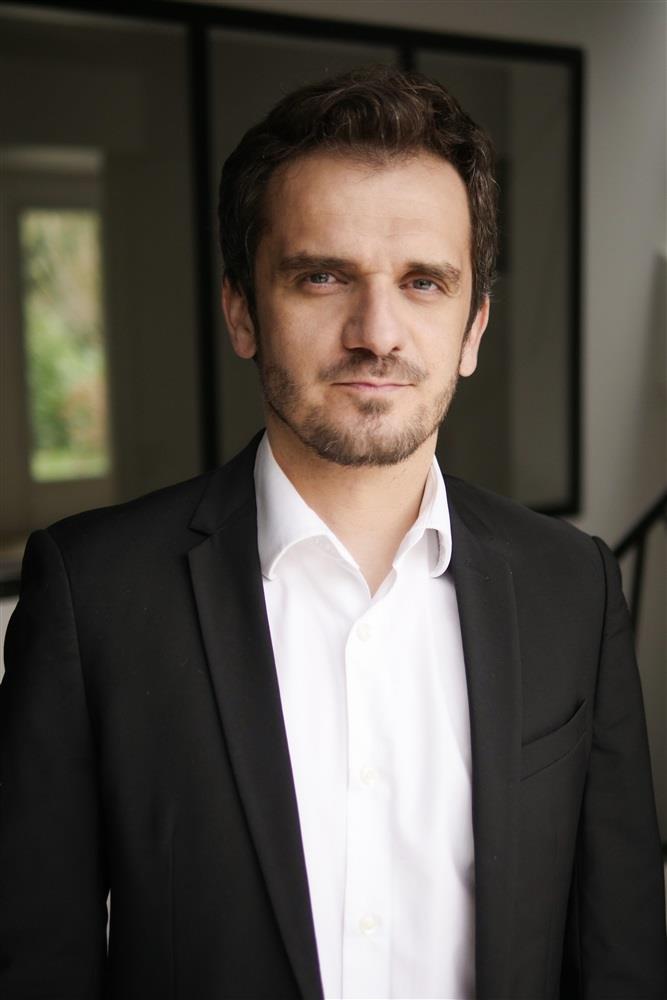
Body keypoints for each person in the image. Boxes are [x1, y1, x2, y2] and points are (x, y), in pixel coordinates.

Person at [0, 66, 664, 1000]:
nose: (376, 332)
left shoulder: (574, 587)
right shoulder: (93, 593)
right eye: (322, 276)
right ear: (242, 310)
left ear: (473, 327)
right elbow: (36, 960)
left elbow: (620, 952)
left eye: (423, 282)